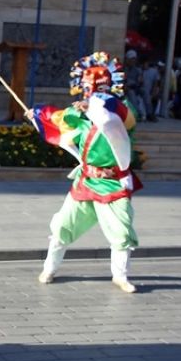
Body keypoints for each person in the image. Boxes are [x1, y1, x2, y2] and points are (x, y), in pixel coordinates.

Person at [31, 52, 141, 293]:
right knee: (63, 225)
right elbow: (55, 119)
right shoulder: (76, 113)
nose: (92, 92)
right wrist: (37, 115)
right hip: (86, 181)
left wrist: (95, 105)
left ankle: (120, 276)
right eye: (89, 88)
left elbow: (113, 114)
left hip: (113, 182)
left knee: (122, 230)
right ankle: (49, 268)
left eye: (99, 88)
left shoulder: (123, 111)